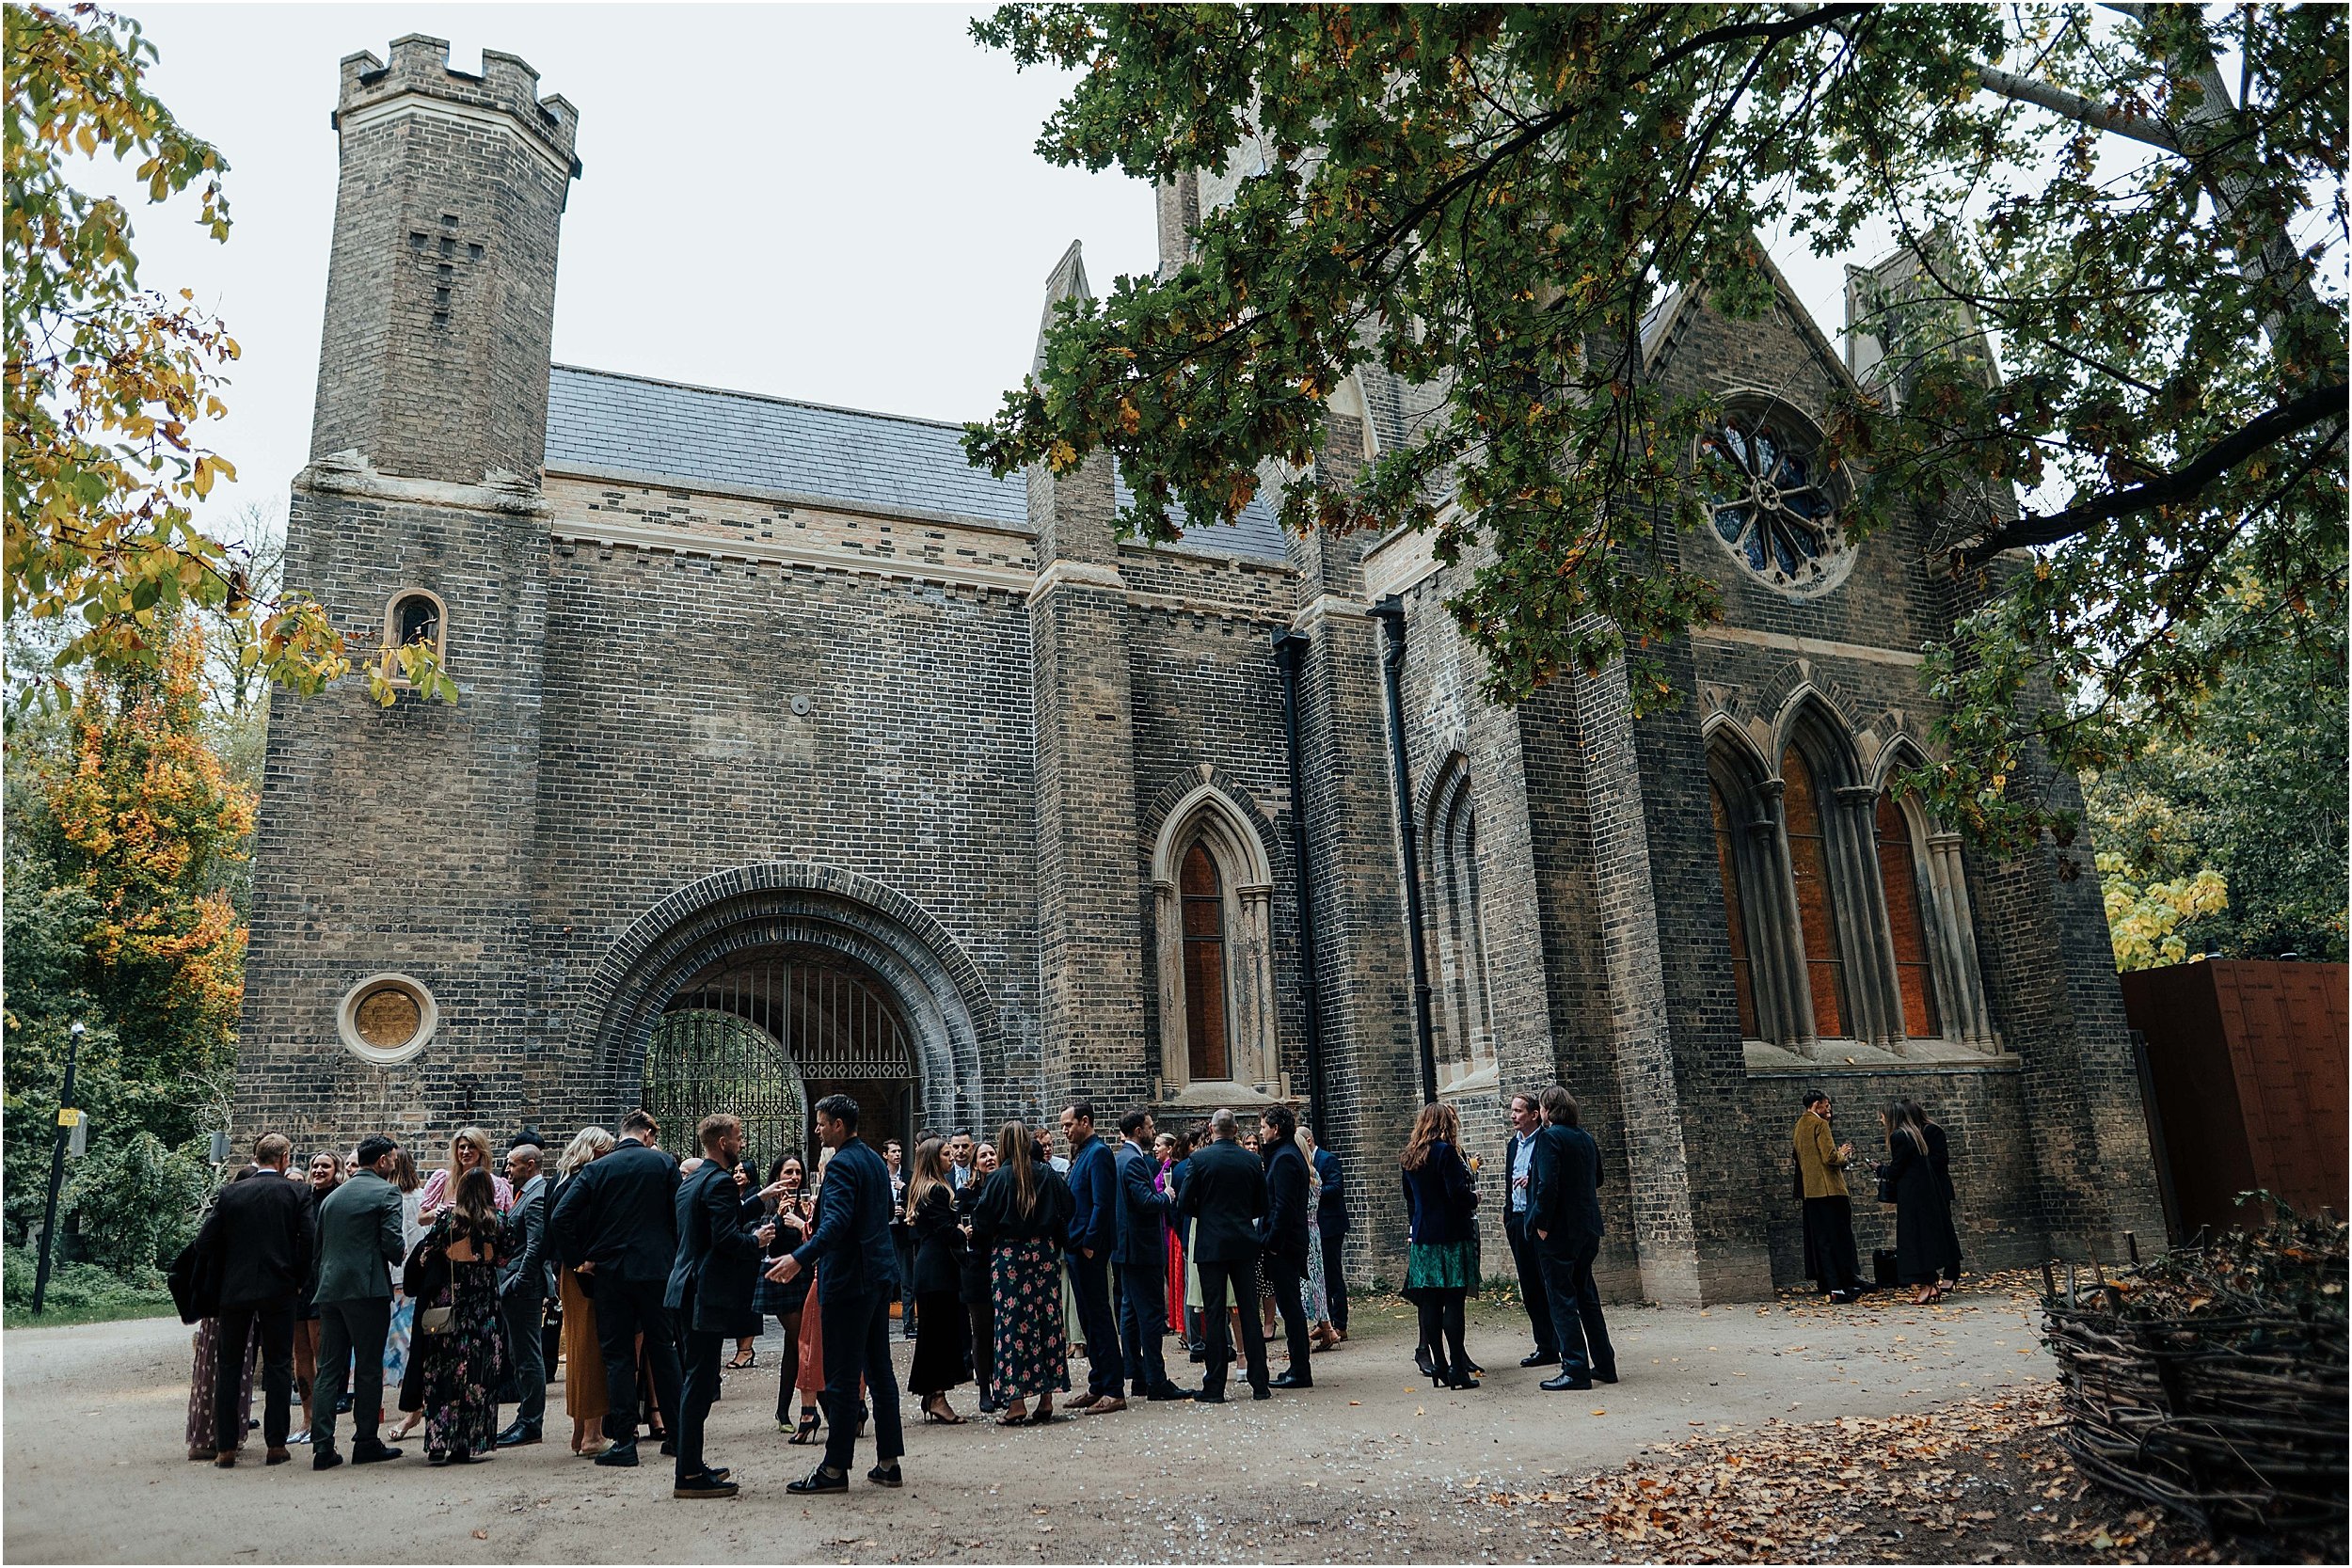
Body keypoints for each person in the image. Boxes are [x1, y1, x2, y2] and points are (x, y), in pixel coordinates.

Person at [768, 1094, 905, 1492]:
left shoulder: (843, 1164)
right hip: (878, 1277)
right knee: (879, 1371)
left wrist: (798, 1257)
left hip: (849, 1282)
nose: (818, 1129)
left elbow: (837, 1224)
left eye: (822, 1123)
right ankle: (888, 1461)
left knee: (843, 1376)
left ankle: (833, 1469)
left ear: (839, 1125)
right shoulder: (874, 1162)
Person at [547, 1107, 684, 1471]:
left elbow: (560, 1218)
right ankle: (678, 1436)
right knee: (663, 1350)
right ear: (648, 1135)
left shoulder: (596, 1168)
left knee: (619, 1358)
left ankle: (624, 1440)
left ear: (622, 1133)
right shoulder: (664, 1165)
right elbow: (680, 1213)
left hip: (611, 1273)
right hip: (656, 1271)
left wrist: (580, 1259)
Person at [192, 1133, 311, 1468]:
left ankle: (226, 1447)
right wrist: (298, 1279)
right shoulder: (297, 1192)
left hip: (236, 1289)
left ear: (256, 1157)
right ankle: (275, 1444)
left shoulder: (231, 1193)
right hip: (280, 1287)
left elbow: (205, 1241)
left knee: (229, 1366)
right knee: (276, 1366)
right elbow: (309, 1240)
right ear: (284, 1158)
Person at [668, 1113, 771, 1500]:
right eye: (739, 1137)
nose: (742, 1143)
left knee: (696, 1378)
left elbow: (708, 1226)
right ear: (723, 1142)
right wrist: (757, 1241)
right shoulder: (721, 1183)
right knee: (699, 1382)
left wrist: (757, 1202)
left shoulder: (693, 1180)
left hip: (683, 1288)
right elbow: (726, 1238)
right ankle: (689, 1473)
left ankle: (692, 1464)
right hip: (703, 1293)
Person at [969, 1117, 1077, 1425]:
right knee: (1047, 1320)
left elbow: (981, 1222)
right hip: (1042, 1254)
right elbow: (1068, 1207)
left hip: (1009, 1257)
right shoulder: (1046, 1174)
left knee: (1011, 1324)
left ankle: (1015, 1402)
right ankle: (1046, 1397)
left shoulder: (998, 1179)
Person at [309, 1134, 408, 1467]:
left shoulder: (333, 1198)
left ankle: (322, 1446)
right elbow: (393, 1244)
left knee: (328, 1368)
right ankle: (365, 1440)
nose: (394, 1163)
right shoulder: (387, 1192)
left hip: (330, 1290)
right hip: (366, 1290)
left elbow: (319, 1249)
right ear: (382, 1161)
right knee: (366, 1368)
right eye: (392, 1159)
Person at [414, 1165, 511, 1465]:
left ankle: (437, 1441)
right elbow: (505, 1259)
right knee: (478, 1375)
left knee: (442, 1372)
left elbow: (425, 1255)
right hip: (483, 1305)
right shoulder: (499, 1222)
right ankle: (466, 1443)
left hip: (451, 1301)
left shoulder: (447, 1220)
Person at [1175, 1108, 1271, 1403]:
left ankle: (1215, 1385)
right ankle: (1259, 1383)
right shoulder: (1252, 1160)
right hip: (1243, 1242)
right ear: (1235, 1129)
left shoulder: (1199, 1160)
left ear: (1211, 1128)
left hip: (1211, 1245)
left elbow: (1184, 1203)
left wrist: (1208, 1215)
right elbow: (1261, 1204)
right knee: (1249, 1312)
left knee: (1214, 1314)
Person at [1525, 1086, 1616, 1390]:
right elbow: (1598, 1179)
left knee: (1561, 1298)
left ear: (1548, 1110)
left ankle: (1575, 1367)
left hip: (1559, 1231)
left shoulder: (1550, 1138)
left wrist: (1541, 1221)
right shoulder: (1585, 1138)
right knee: (1586, 1296)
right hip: (1587, 1227)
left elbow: (1546, 1185)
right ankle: (1604, 1363)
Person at [1402, 1101, 1482, 1391]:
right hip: (1450, 1236)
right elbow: (1456, 1194)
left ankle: (1439, 1365)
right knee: (1454, 1302)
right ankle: (1458, 1369)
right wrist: (1475, 1197)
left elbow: (1410, 1200)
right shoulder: (1445, 1153)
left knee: (1431, 1303)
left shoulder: (1411, 1156)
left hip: (1424, 1238)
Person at [1111, 1109, 1188, 1403]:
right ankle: (1156, 1379)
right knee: (1151, 1315)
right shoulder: (1132, 1162)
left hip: (1128, 1249)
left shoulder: (1121, 1159)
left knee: (1130, 1313)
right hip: (1141, 1249)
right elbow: (1144, 1201)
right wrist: (1167, 1196)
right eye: (1150, 1127)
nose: (1153, 1131)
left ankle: (1139, 1376)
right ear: (1138, 1130)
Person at [1057, 1101, 1127, 1413]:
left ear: (1085, 1121)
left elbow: (1102, 1203)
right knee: (1087, 1318)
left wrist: (1089, 1243)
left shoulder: (1098, 1152)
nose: (1064, 1130)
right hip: (1076, 1247)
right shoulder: (1082, 1153)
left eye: (1068, 1124)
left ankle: (1114, 1388)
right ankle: (1098, 1382)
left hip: (1088, 1250)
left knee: (1099, 1318)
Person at [551, 1127, 615, 1456]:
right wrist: (580, 1261)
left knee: (579, 1351)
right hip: (584, 1275)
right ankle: (592, 1435)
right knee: (590, 1351)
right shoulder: (583, 1181)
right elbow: (560, 1223)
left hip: (571, 1274)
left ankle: (581, 1433)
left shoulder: (561, 1180)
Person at [905, 1136, 971, 1422]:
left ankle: (931, 1394)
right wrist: (962, 1232)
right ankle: (937, 1396)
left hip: (929, 1267)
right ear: (935, 1159)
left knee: (933, 1334)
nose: (951, 1157)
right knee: (940, 1336)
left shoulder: (921, 1189)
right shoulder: (938, 1191)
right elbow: (947, 1231)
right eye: (946, 1154)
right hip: (938, 1270)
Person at [494, 1141, 552, 1449]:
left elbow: (536, 1245)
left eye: (512, 1164)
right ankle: (524, 1418)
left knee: (527, 1354)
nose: (507, 1169)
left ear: (529, 1165)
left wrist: (518, 1282)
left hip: (524, 1288)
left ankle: (531, 1422)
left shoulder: (537, 1195)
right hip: (517, 1284)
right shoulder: (525, 1194)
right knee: (519, 1354)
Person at [756, 1152, 817, 1435]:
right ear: (777, 1176)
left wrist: (803, 1217)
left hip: (803, 1275)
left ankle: (784, 1410)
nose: (794, 1178)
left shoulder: (808, 1204)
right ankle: (819, 1406)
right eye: (788, 1173)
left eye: (797, 1172)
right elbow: (761, 1239)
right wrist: (780, 1218)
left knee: (796, 1344)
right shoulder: (767, 1203)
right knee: (801, 1338)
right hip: (780, 1277)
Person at [1258, 1105, 1315, 1389]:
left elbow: (1283, 1208)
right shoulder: (1284, 1156)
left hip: (1285, 1245)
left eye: (1264, 1126)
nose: (1261, 1131)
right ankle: (1298, 1367)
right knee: (1289, 1307)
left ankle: (1300, 1370)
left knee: (1291, 1309)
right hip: (1286, 1242)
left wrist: (1272, 1244)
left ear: (1276, 1129)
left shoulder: (1284, 1160)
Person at [1882, 1102, 1961, 1305]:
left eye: (1882, 1116)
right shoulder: (1914, 1135)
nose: (1880, 1120)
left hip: (1917, 1195)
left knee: (1919, 1238)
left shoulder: (1903, 1136)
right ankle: (1931, 1284)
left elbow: (1899, 1167)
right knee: (1926, 1237)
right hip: (1924, 1194)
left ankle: (1930, 1283)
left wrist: (1882, 1171)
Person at [1502, 1092, 1559, 1369]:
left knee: (1548, 1283)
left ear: (1534, 1115)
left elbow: (1550, 1181)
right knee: (1529, 1285)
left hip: (1538, 1222)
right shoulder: (1514, 1145)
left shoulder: (1547, 1142)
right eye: (1512, 1111)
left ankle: (1561, 1342)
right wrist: (1507, 1216)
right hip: (1517, 1220)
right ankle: (1544, 1344)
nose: (1513, 1116)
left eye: (1518, 1111)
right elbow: (1508, 1180)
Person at [1793, 1091, 1865, 1302]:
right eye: (1826, 1107)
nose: (1829, 1112)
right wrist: (1843, 1153)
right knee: (1838, 1239)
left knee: (1822, 1241)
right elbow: (1830, 1157)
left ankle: (1830, 1285)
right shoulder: (1820, 1125)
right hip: (1830, 1190)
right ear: (1817, 1105)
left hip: (1810, 1191)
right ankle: (1841, 1286)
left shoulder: (1799, 1126)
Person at [292, 1149, 342, 1441]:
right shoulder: (302, 1198)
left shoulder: (338, 1198)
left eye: (325, 1165)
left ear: (336, 1170)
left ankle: (323, 1420)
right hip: (300, 1282)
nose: (319, 1170)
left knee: (322, 1351)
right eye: (315, 1165)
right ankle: (307, 1418)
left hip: (324, 1283)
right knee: (300, 1354)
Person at [382, 1148, 426, 1439]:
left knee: (403, 1347)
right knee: (413, 1345)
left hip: (398, 1280)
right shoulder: (424, 1198)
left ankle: (414, 1410)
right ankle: (416, 1407)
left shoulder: (389, 1200)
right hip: (417, 1280)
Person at [955, 1141, 1000, 1413]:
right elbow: (962, 1226)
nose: (989, 1158)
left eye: (992, 1154)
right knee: (982, 1330)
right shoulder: (966, 1193)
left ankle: (1003, 1384)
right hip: (976, 1266)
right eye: (983, 1155)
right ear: (975, 1164)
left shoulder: (1005, 1185)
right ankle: (985, 1388)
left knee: (1002, 1330)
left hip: (1000, 1262)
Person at [1297, 1124, 1340, 1352]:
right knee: (1318, 1282)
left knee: (1311, 1283)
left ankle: (1328, 1327)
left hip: (1307, 1231)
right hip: (1314, 1229)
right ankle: (1327, 1327)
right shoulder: (1313, 1173)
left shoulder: (1306, 1173)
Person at [1309, 1123, 1348, 1342]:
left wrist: (1314, 1190)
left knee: (1333, 1276)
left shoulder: (1327, 1160)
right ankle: (1324, 1322)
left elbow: (1336, 1187)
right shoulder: (1306, 1162)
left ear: (1308, 1141)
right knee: (1320, 1278)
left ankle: (1340, 1323)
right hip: (1317, 1227)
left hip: (1331, 1226)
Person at [419, 1126, 514, 1216]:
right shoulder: (443, 1179)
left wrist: (466, 1212)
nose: (466, 1152)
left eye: (472, 1146)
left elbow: (499, 1220)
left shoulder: (495, 1184)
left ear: (481, 1150)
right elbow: (421, 1219)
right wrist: (436, 1212)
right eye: (462, 1147)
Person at [884, 1137, 917, 1341]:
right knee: (886, 1277)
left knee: (907, 1278)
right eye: (893, 1152)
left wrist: (904, 1207)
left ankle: (908, 1322)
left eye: (899, 1151)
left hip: (904, 1230)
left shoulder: (908, 1176)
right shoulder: (879, 1176)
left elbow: (916, 1198)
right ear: (885, 1155)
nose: (897, 1155)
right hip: (886, 1231)